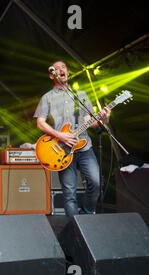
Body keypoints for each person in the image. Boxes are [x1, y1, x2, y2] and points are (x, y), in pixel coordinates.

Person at [34, 61, 110, 217]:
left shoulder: (80, 95)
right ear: (51, 75)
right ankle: (74, 229)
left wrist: (104, 119)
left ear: (68, 73)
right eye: (57, 68)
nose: (61, 70)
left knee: (96, 183)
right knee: (69, 193)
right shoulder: (47, 98)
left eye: (64, 68)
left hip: (84, 147)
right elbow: (40, 123)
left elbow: (92, 121)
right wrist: (60, 135)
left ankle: (87, 215)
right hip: (62, 150)